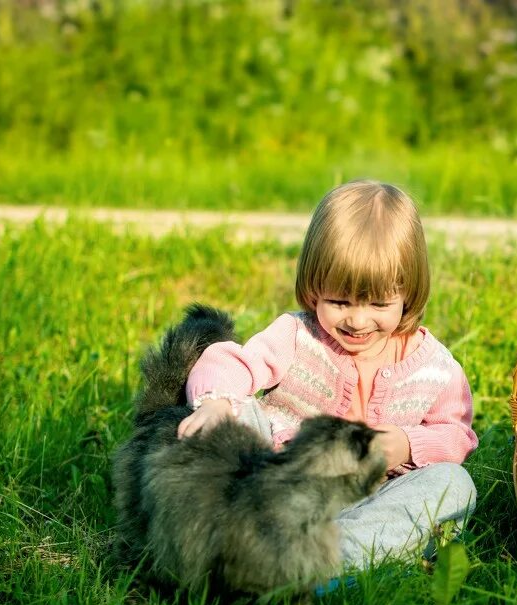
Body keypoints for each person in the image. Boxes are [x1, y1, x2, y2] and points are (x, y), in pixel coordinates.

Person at [177, 180, 477, 569]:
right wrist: (216, 402)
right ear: (314, 287)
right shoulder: (297, 336)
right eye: (339, 301)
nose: (356, 319)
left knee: (455, 486)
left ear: (408, 293)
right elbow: (230, 362)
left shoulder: (433, 367)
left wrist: (403, 444)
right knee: (236, 414)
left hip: (370, 501)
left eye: (379, 303)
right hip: (281, 485)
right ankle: (254, 539)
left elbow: (458, 435)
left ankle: (332, 559)